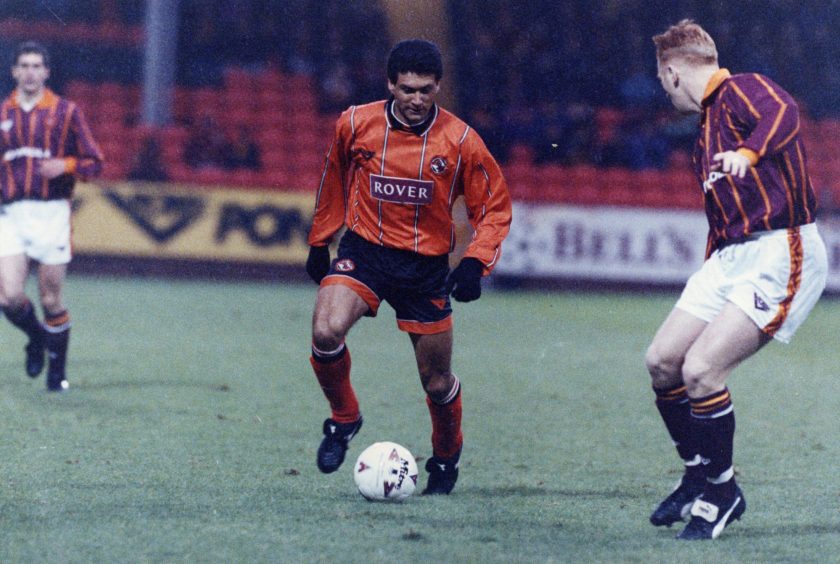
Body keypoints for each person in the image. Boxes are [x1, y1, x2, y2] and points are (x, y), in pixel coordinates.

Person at [645, 20, 827, 540]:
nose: (665, 91)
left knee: (702, 369)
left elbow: (784, 112)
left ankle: (723, 493)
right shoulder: (703, 131)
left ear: (674, 73)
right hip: (730, 257)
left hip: (781, 247)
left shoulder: (741, 88)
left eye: (663, 81)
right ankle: (699, 476)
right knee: (662, 362)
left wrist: (748, 154)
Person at [305, 39, 511, 494]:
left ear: (438, 86)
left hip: (425, 269)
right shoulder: (356, 123)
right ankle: (344, 419)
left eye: (426, 90)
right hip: (367, 252)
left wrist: (476, 263)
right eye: (407, 89)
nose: (416, 99)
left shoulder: (460, 141)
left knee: (436, 383)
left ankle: (445, 458)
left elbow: (494, 208)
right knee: (325, 332)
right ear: (390, 85)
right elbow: (333, 176)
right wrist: (320, 240)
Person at [0, 41, 103, 391]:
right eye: (24, 65)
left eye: (36, 66)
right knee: (9, 296)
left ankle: (56, 377)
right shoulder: (2, 114)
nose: (30, 72)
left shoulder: (66, 112)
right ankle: (37, 338)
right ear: (14, 71)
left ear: (46, 72)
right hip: (11, 213)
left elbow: (95, 162)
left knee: (50, 299)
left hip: (51, 214)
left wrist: (67, 165)